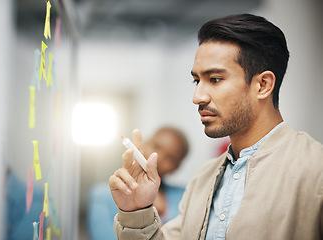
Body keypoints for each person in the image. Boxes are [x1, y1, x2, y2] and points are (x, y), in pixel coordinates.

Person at [108, 13, 323, 240]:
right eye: (196, 80)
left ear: (262, 85)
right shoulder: (204, 177)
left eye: (215, 79)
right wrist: (137, 211)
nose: (197, 96)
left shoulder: (315, 172)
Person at [87, 126, 189, 240]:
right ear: (145, 142)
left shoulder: (186, 195)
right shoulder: (102, 195)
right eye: (156, 146)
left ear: (177, 167)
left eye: (171, 158)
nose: (158, 157)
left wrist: (162, 211)